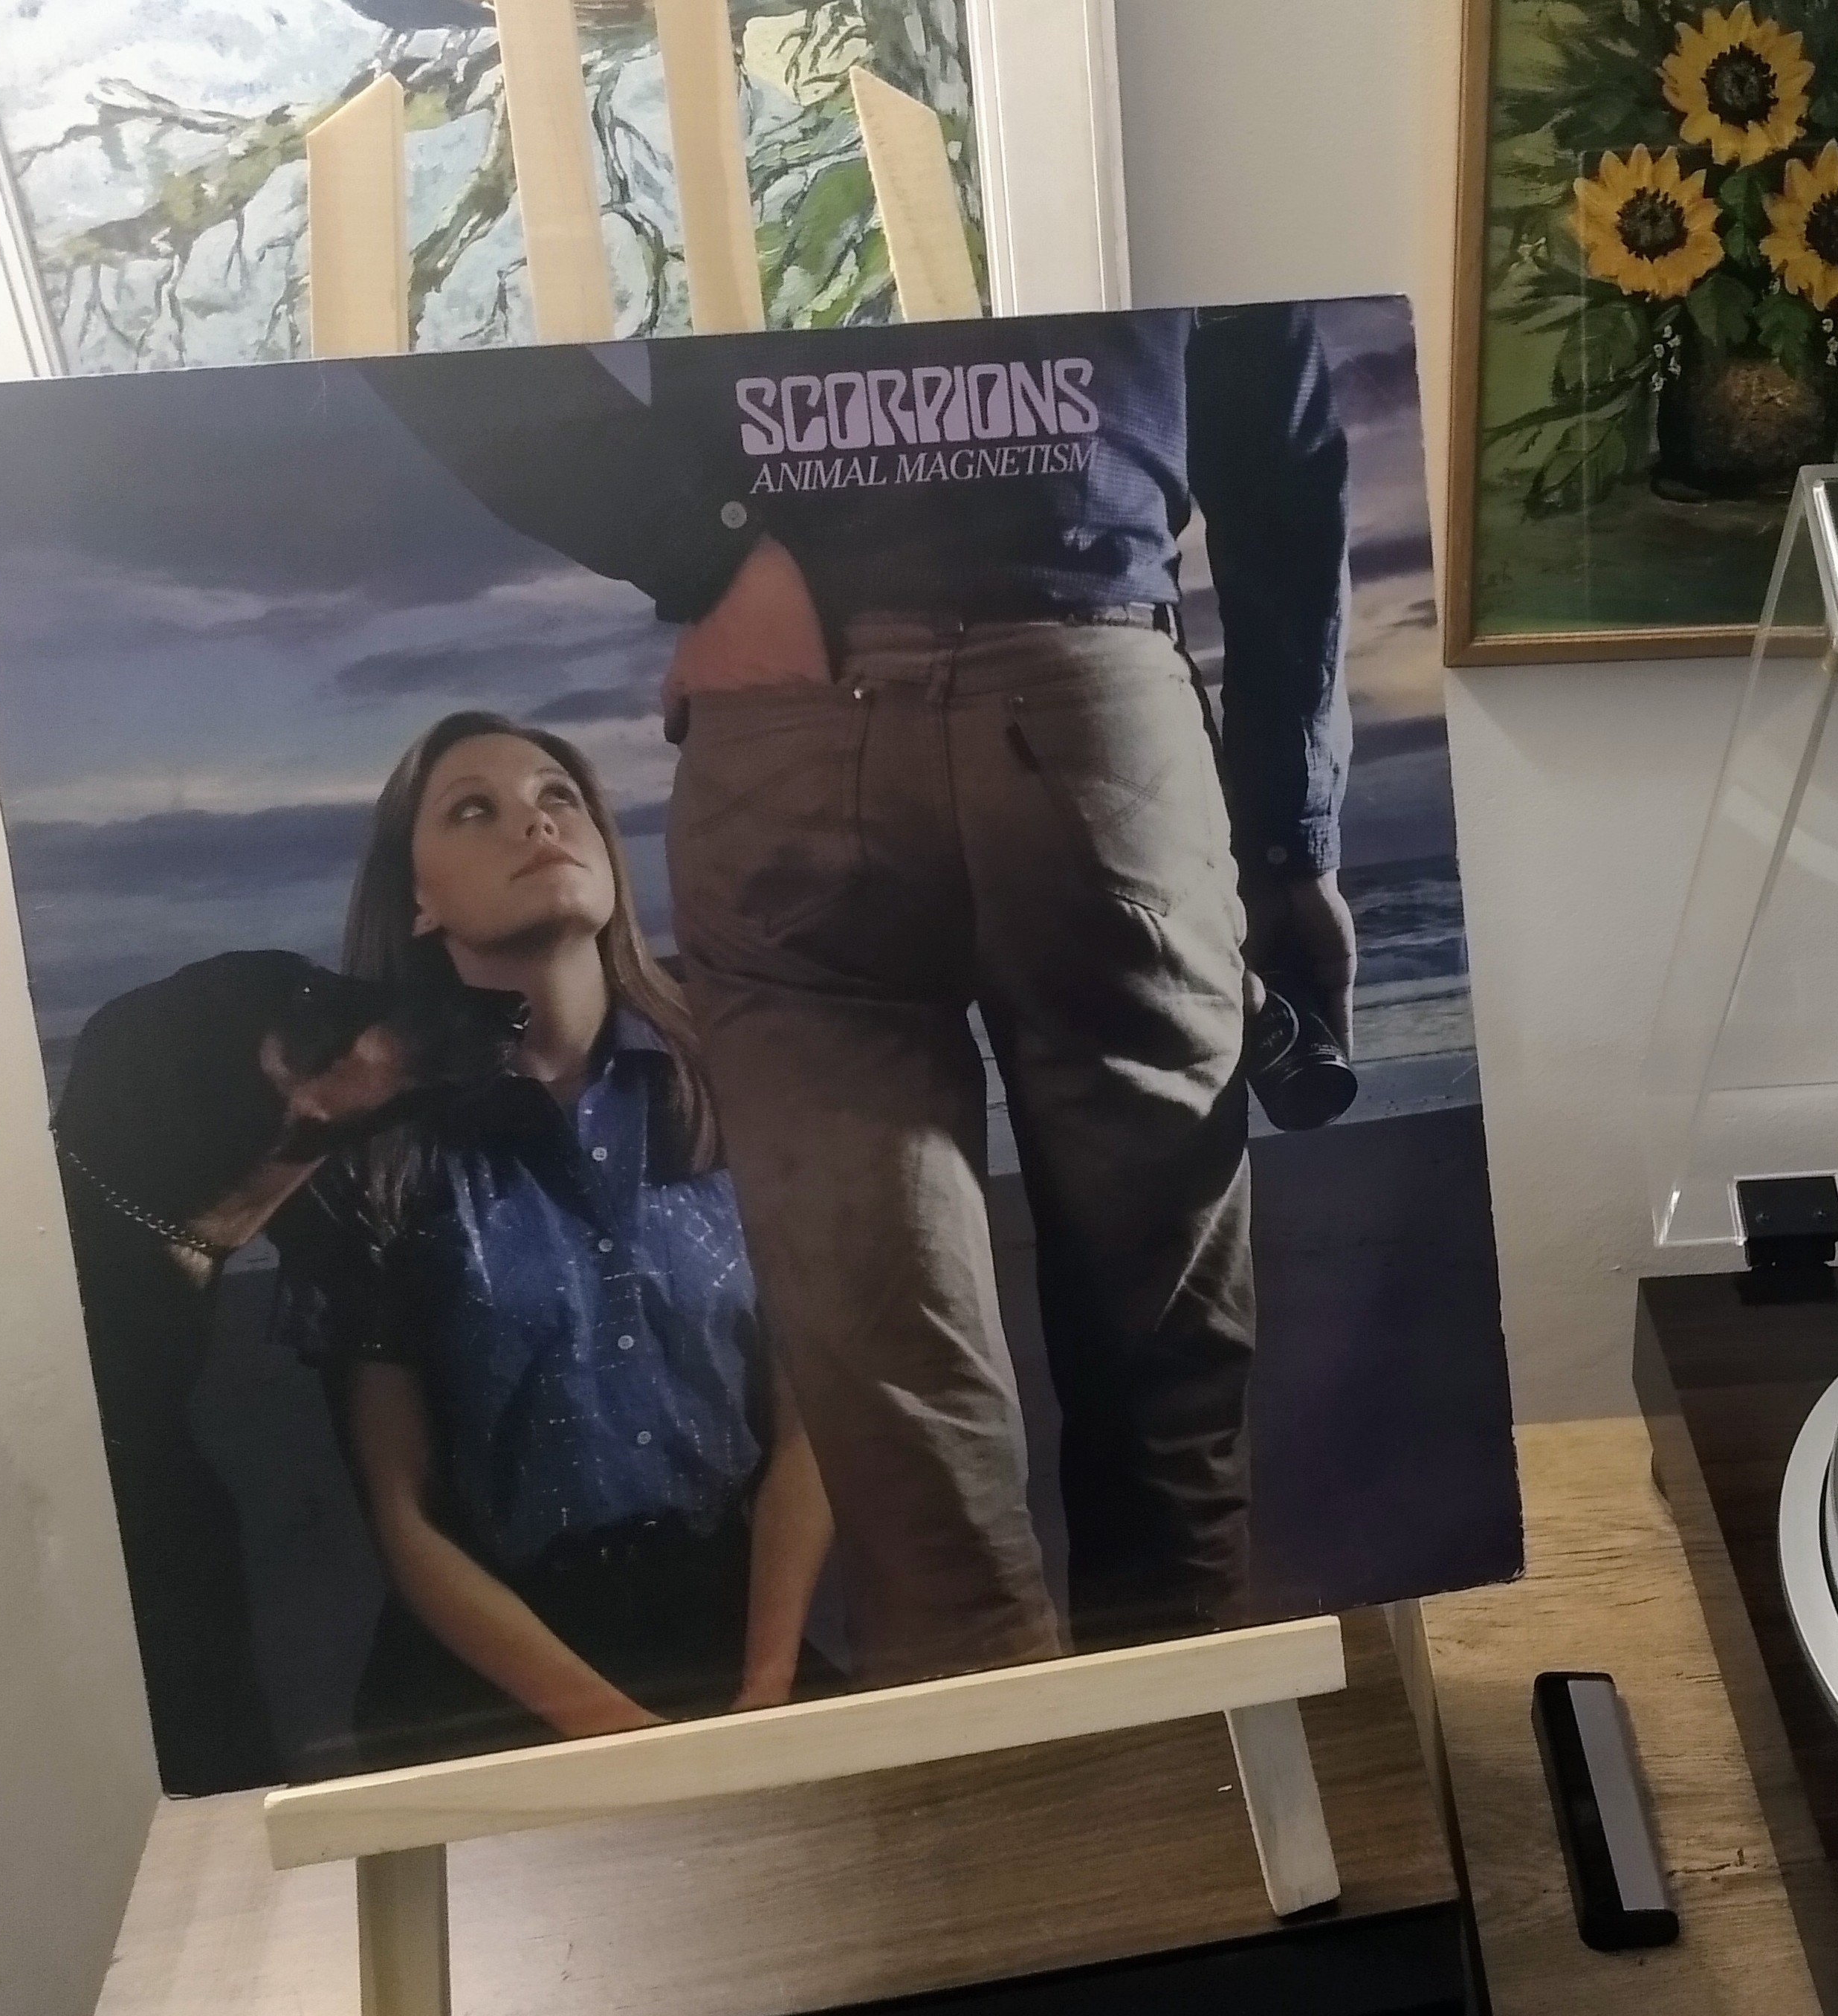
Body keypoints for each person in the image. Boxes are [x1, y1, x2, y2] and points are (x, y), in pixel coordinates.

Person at [366, 306, 1356, 1686]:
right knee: (1169, 1400)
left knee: (910, 1450)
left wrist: (707, 548)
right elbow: (1280, 445)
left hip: (785, 709)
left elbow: (427, 327)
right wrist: (1288, 840)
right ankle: (1191, 1789)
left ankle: (1008, 1811)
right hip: (1091, 690)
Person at [282, 711, 835, 1768]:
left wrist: (767, 1687)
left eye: (559, 797)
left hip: (738, 1643)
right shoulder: (381, 1151)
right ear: (418, 901)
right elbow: (405, 1518)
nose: (535, 825)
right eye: (473, 811)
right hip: (494, 1696)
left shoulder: (732, 1082)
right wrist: (619, 1739)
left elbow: (811, 1427)